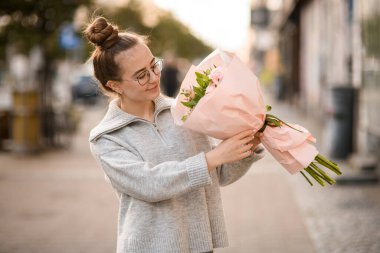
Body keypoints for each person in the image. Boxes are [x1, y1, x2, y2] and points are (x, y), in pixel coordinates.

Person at [86, 17, 264, 253]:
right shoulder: (106, 138)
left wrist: (246, 146)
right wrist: (212, 158)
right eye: (141, 75)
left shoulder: (185, 111)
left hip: (200, 245)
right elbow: (150, 184)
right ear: (114, 86)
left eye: (153, 65)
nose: (153, 78)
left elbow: (219, 174)